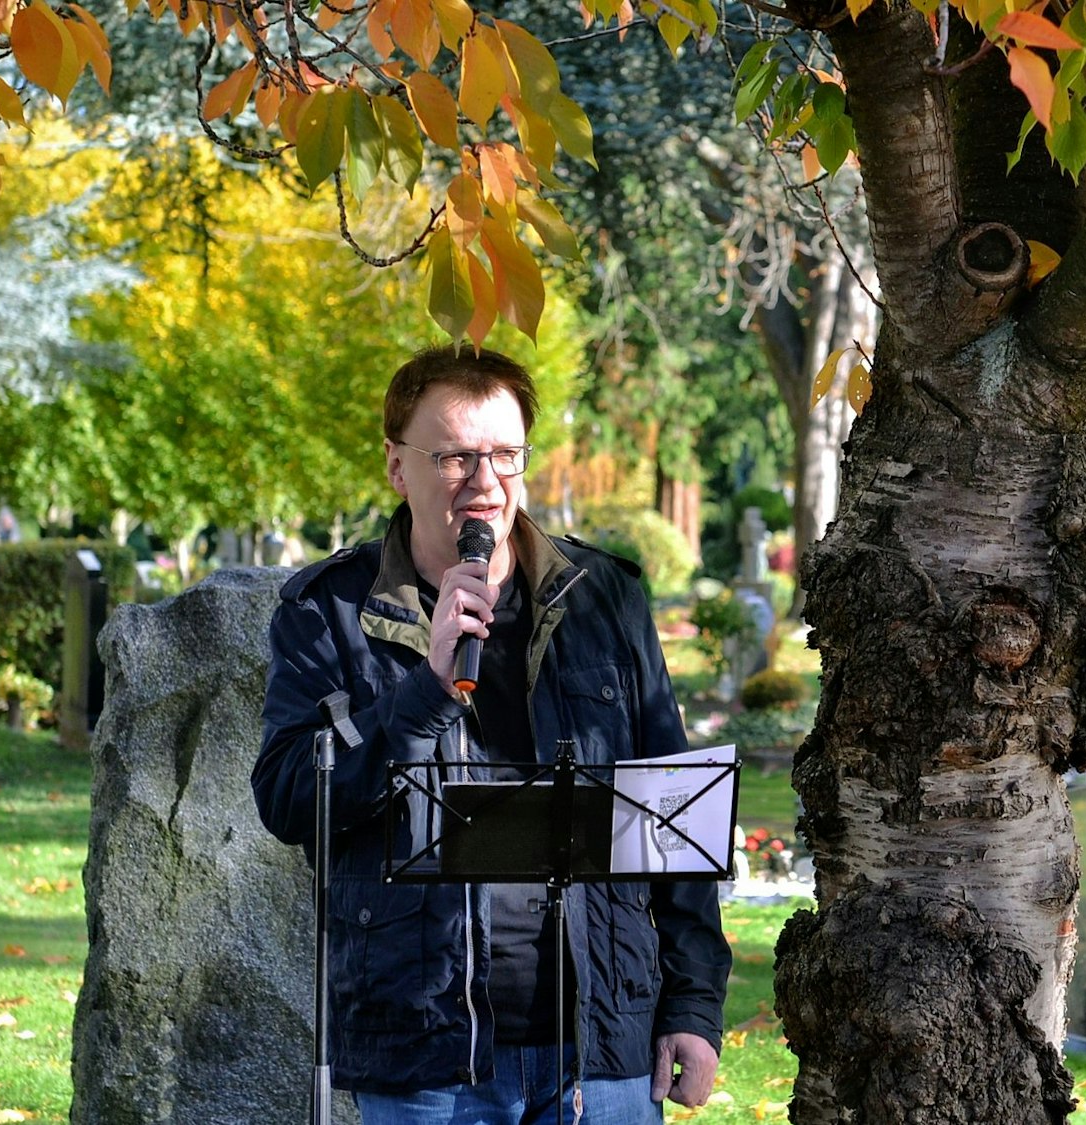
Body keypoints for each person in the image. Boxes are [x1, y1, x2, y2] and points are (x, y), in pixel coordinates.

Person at [255, 346, 730, 1124]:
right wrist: (425, 693)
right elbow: (287, 797)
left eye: (506, 455)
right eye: (455, 457)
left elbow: (674, 814)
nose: (485, 484)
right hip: (424, 1052)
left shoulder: (604, 598)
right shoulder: (326, 612)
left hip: (601, 1042)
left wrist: (694, 1005)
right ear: (396, 466)